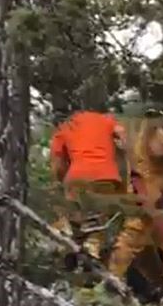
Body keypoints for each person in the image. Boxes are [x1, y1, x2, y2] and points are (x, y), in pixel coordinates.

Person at [107, 117, 163, 299]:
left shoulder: (150, 141)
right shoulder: (151, 135)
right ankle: (112, 281)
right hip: (146, 200)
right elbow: (161, 154)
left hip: (155, 203)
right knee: (134, 238)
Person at [49, 110, 127, 262]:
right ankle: (92, 247)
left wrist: (61, 182)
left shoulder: (64, 128)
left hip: (78, 178)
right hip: (107, 177)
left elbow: (57, 167)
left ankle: (66, 242)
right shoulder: (105, 120)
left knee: (75, 214)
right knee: (99, 219)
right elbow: (123, 137)